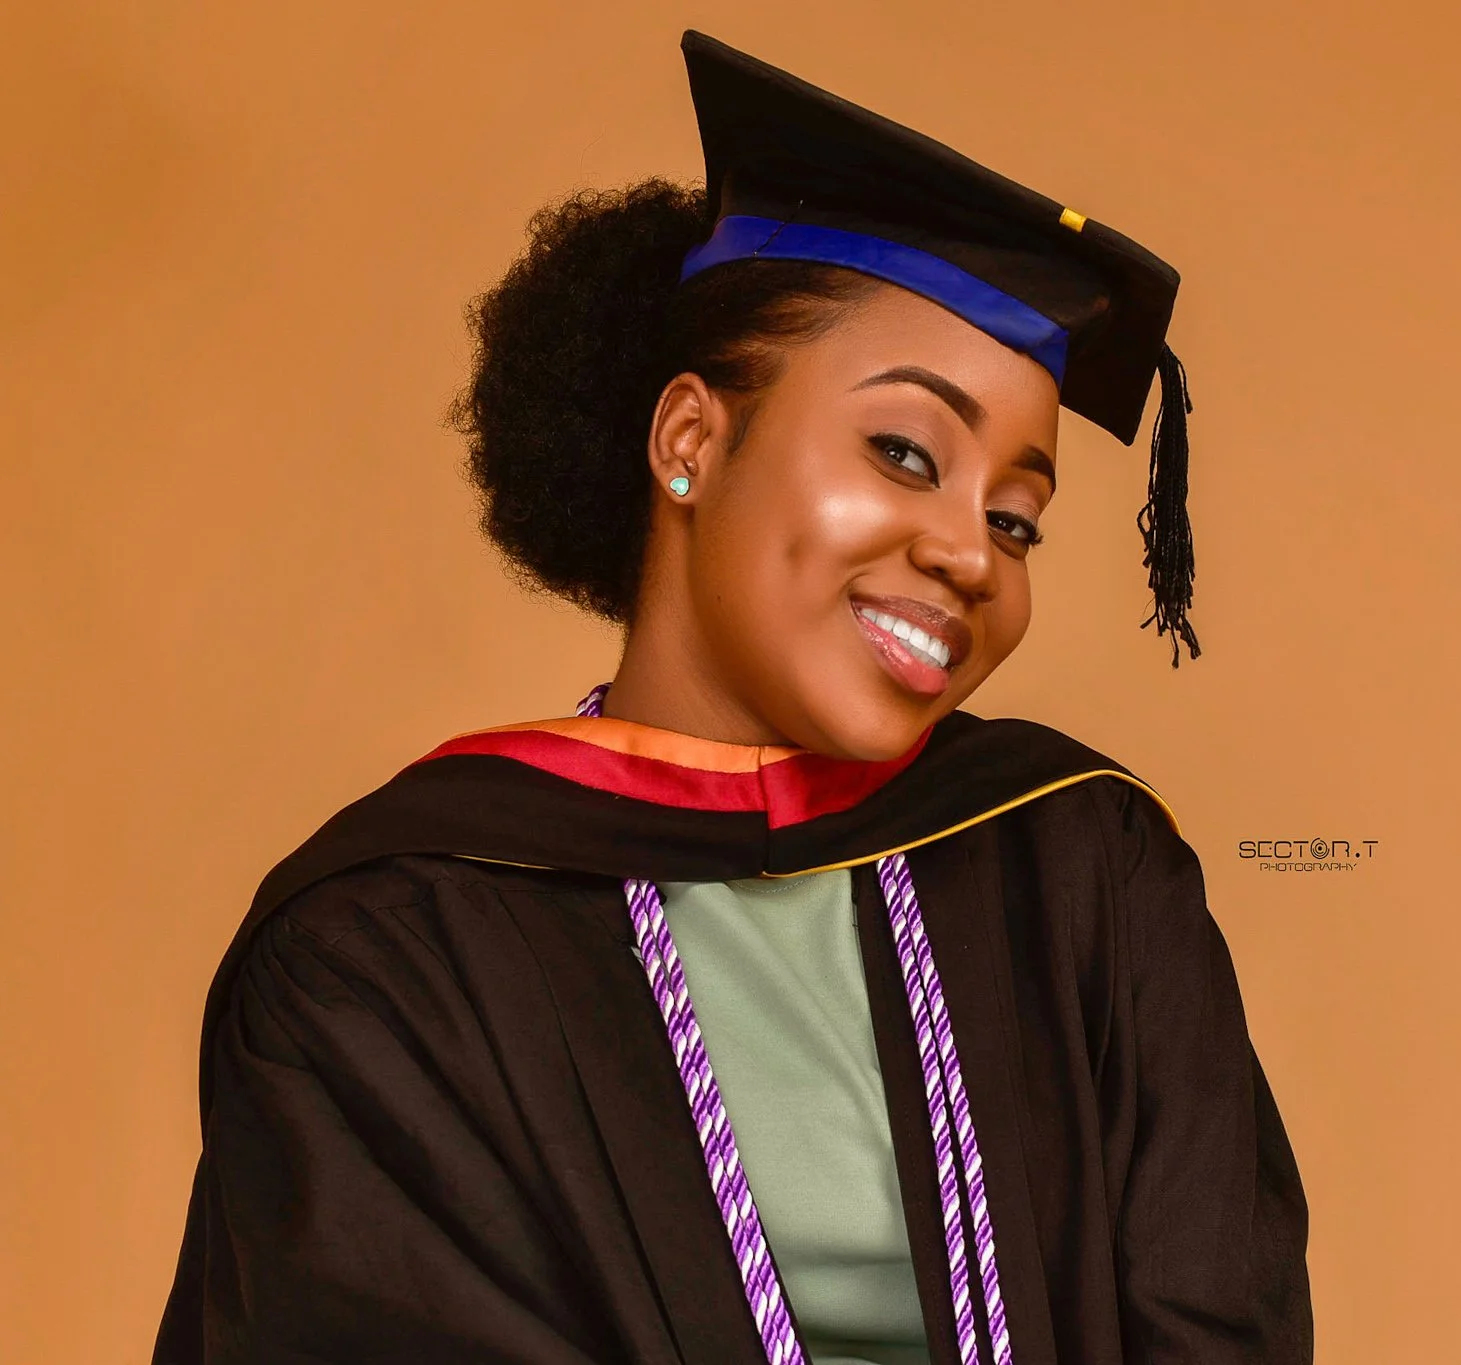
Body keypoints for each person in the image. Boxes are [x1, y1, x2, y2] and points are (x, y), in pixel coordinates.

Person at [154, 29, 1311, 1365]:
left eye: (1018, 518)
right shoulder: (393, 947)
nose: (967, 552)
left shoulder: (1085, 872)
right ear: (691, 440)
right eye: (902, 451)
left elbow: (1223, 1323)